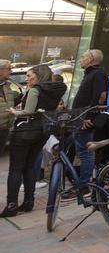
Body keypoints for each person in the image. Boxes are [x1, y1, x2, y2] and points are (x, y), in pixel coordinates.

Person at [2, 64, 67, 216]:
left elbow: (28, 112)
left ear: (39, 76)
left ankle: (11, 206)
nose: (27, 78)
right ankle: (29, 202)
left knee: (16, 168)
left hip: (25, 131)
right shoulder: (55, 89)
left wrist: (13, 111)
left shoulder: (35, 90)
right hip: (42, 131)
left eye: (29, 75)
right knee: (30, 167)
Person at [67, 49, 108, 197]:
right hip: (80, 118)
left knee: (85, 153)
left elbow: (100, 97)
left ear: (91, 59)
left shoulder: (97, 74)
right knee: (79, 150)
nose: (80, 59)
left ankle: (84, 186)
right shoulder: (90, 74)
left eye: (83, 57)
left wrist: (87, 117)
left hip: (85, 120)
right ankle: (80, 182)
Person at [0, 60, 21, 157]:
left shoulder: (7, 85)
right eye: (9, 69)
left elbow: (8, 105)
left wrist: (21, 98)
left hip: (5, 129)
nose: (11, 71)